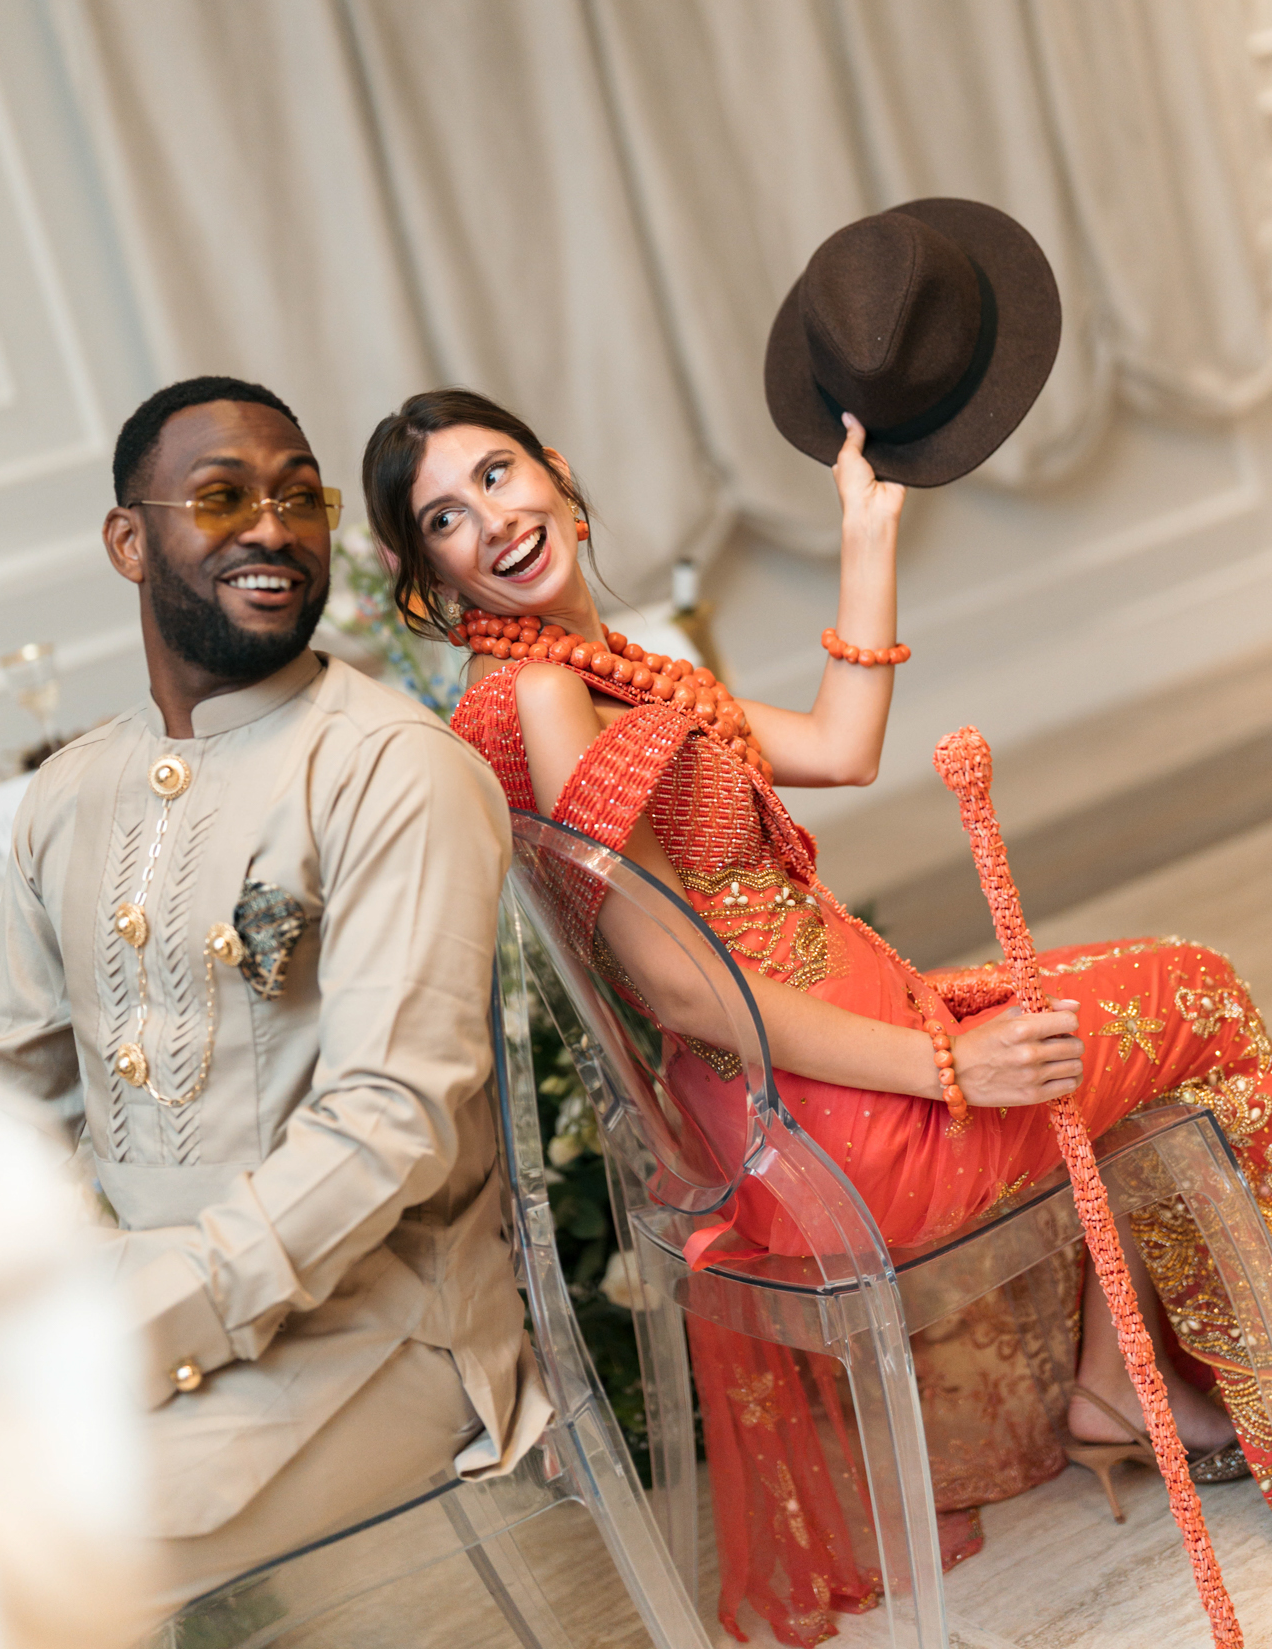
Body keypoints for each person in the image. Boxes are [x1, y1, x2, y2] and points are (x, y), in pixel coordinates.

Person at [362, 202, 1272, 1645]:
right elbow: (678, 987)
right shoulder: (542, 695)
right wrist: (953, 1067)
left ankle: (1118, 1378)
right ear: (431, 579)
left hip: (826, 1078)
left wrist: (866, 530)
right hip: (831, 1121)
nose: (492, 519)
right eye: (446, 519)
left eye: (496, 472)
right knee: (1198, 997)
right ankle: (1164, 1385)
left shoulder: (601, 671)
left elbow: (842, 745)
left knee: (1137, 1005)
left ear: (561, 478)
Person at [0, 374, 548, 1623]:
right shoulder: (68, 794)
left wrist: (129, 1329)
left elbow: (389, 1122)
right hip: (126, 1315)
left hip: (380, 1328)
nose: (272, 528)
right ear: (130, 541)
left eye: (299, 497)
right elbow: (9, 1102)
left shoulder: (392, 769)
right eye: (222, 497)